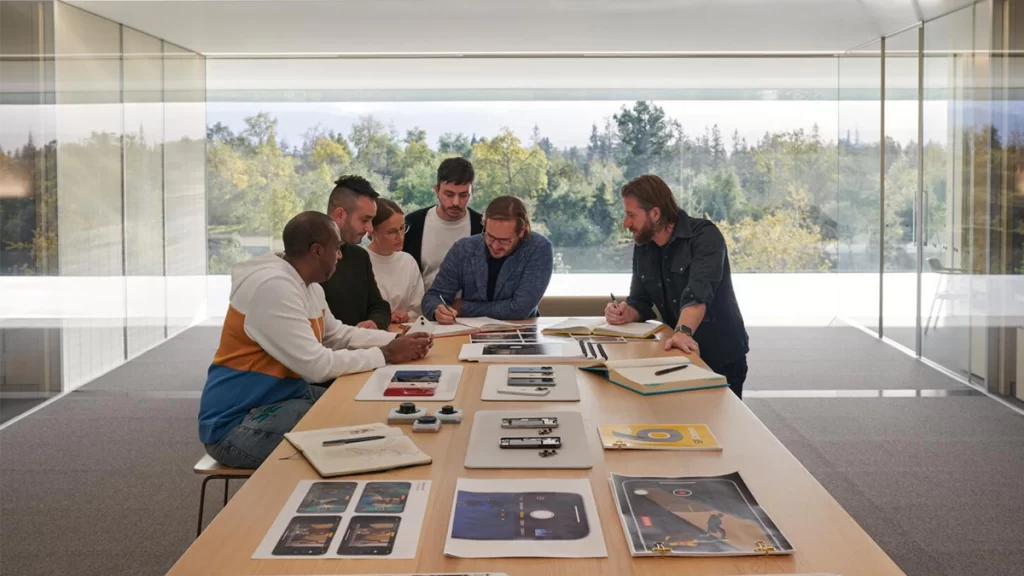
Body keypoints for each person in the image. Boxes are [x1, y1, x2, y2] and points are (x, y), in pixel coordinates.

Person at [198, 212, 432, 468]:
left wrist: (397, 339)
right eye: (337, 249)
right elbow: (316, 366)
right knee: (360, 444)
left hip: (283, 398)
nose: (341, 256)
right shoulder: (273, 288)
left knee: (367, 415)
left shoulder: (308, 286)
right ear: (317, 251)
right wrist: (387, 354)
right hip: (237, 424)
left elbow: (338, 335)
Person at [605, 174, 749, 398]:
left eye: (631, 215)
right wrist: (625, 313)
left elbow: (698, 294)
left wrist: (682, 332)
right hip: (677, 354)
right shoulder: (644, 245)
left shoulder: (705, 236)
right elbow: (640, 302)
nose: (626, 224)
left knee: (721, 429)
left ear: (655, 213)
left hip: (720, 355)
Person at [422, 196, 553, 322]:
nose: (495, 246)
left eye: (504, 240)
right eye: (490, 236)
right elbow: (433, 297)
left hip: (522, 331)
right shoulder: (463, 248)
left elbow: (519, 309)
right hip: (469, 331)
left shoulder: (538, 248)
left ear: (521, 231)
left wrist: (463, 307)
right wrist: (437, 310)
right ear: (484, 225)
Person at [321, 175, 392, 329]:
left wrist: (374, 323)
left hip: (361, 348)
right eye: (364, 220)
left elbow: (379, 306)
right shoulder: (308, 258)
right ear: (340, 215)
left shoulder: (359, 256)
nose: (370, 229)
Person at [402, 157, 483, 290]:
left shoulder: (482, 227)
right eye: (449, 194)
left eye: (463, 195)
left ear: (471, 193)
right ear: (436, 190)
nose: (456, 202)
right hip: (420, 308)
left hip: (467, 309)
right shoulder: (413, 224)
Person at [366, 197, 425, 325]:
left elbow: (419, 309)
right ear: (373, 232)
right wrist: (384, 316)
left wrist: (405, 315)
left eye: (402, 228)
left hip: (403, 331)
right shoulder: (361, 260)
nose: (400, 236)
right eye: (391, 232)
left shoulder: (408, 261)